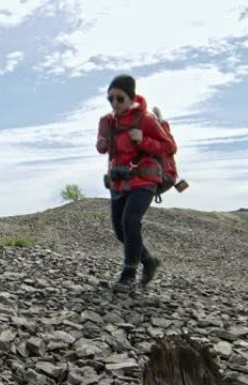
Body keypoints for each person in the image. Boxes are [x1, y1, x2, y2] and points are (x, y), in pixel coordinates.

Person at [96, 74, 176, 293]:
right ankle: (148, 261)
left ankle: (128, 274)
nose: (114, 103)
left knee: (131, 221)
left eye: (120, 98)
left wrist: (144, 140)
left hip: (145, 179)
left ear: (131, 98)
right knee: (120, 231)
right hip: (119, 182)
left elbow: (169, 147)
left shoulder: (146, 120)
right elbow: (102, 149)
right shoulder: (106, 122)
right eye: (110, 98)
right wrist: (102, 144)